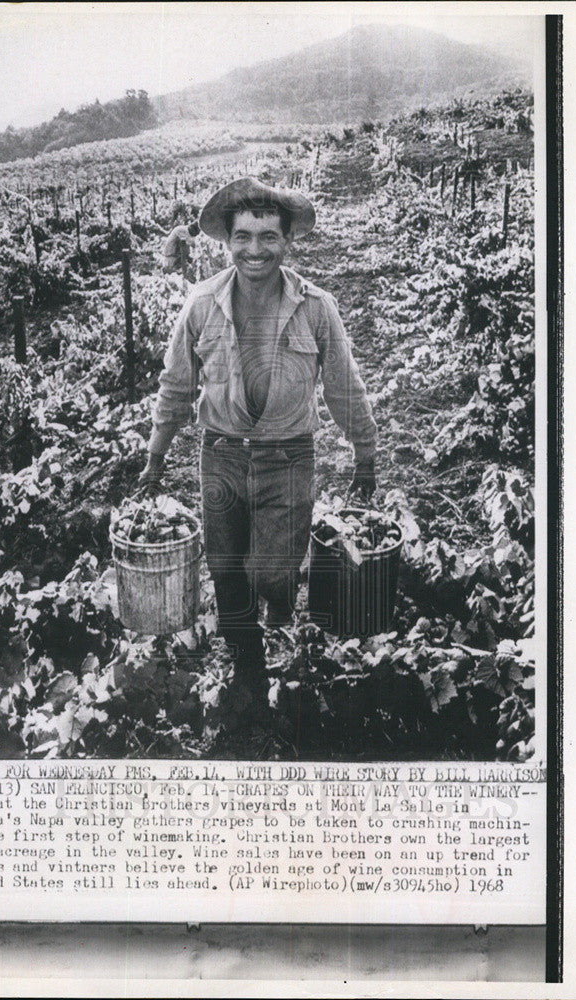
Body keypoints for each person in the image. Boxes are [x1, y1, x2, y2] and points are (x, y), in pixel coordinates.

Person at [141, 177, 377, 710]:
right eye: (243, 236)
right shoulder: (201, 305)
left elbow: (343, 385)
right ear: (227, 242)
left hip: (288, 455)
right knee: (226, 571)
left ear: (287, 241)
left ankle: (276, 604)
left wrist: (366, 453)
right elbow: (176, 385)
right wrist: (155, 458)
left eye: (268, 237)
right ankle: (247, 671)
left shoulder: (317, 308)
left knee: (271, 569)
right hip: (220, 454)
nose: (255, 250)